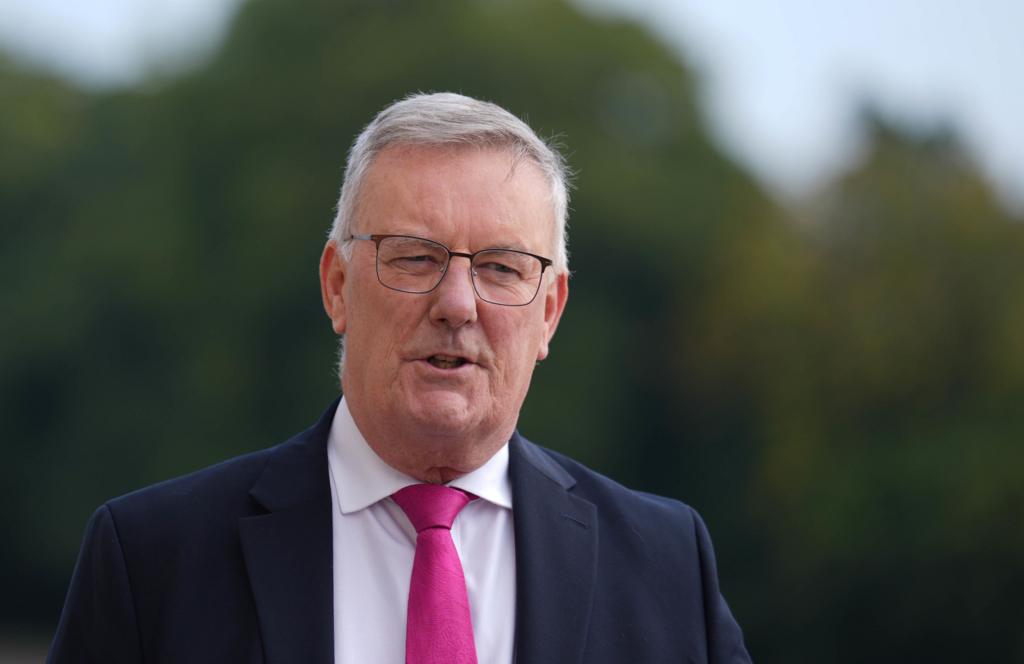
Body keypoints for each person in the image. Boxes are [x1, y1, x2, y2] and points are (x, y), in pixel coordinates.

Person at [48, 92, 752, 663]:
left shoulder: (665, 567)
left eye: (502, 267)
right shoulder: (152, 562)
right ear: (336, 286)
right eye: (415, 258)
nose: (456, 304)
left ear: (549, 314)